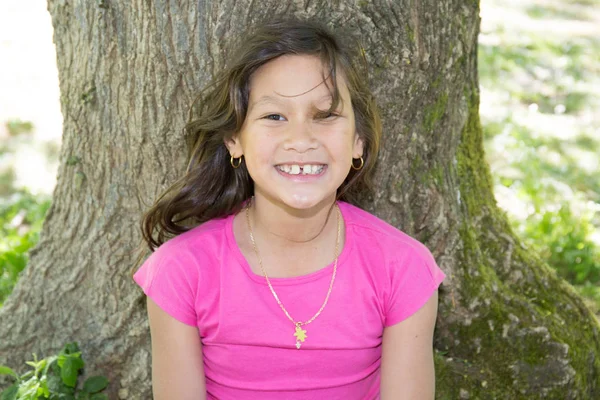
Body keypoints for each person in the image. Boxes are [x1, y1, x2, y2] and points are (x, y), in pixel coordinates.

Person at [132, 17, 445, 400]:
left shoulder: (402, 268)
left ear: (358, 142)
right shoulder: (182, 271)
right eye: (274, 116)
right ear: (234, 139)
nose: (300, 139)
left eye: (325, 115)